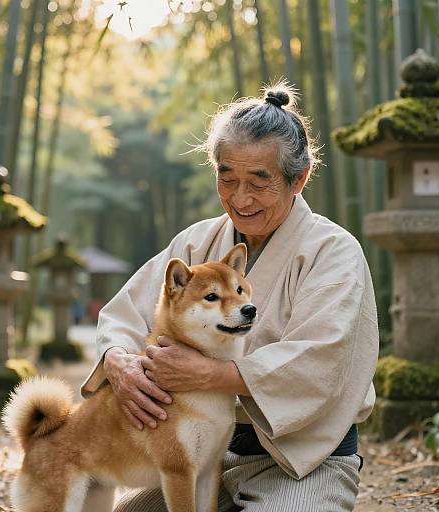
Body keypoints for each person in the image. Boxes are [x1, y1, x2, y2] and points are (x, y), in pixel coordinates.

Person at [81, 84, 379, 512]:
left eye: (260, 181)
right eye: (227, 177)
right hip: (200, 451)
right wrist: (118, 361)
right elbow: (126, 310)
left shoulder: (333, 251)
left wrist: (209, 375)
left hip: (304, 458)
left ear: (300, 178)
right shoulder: (198, 242)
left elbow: (320, 362)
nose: (241, 199)